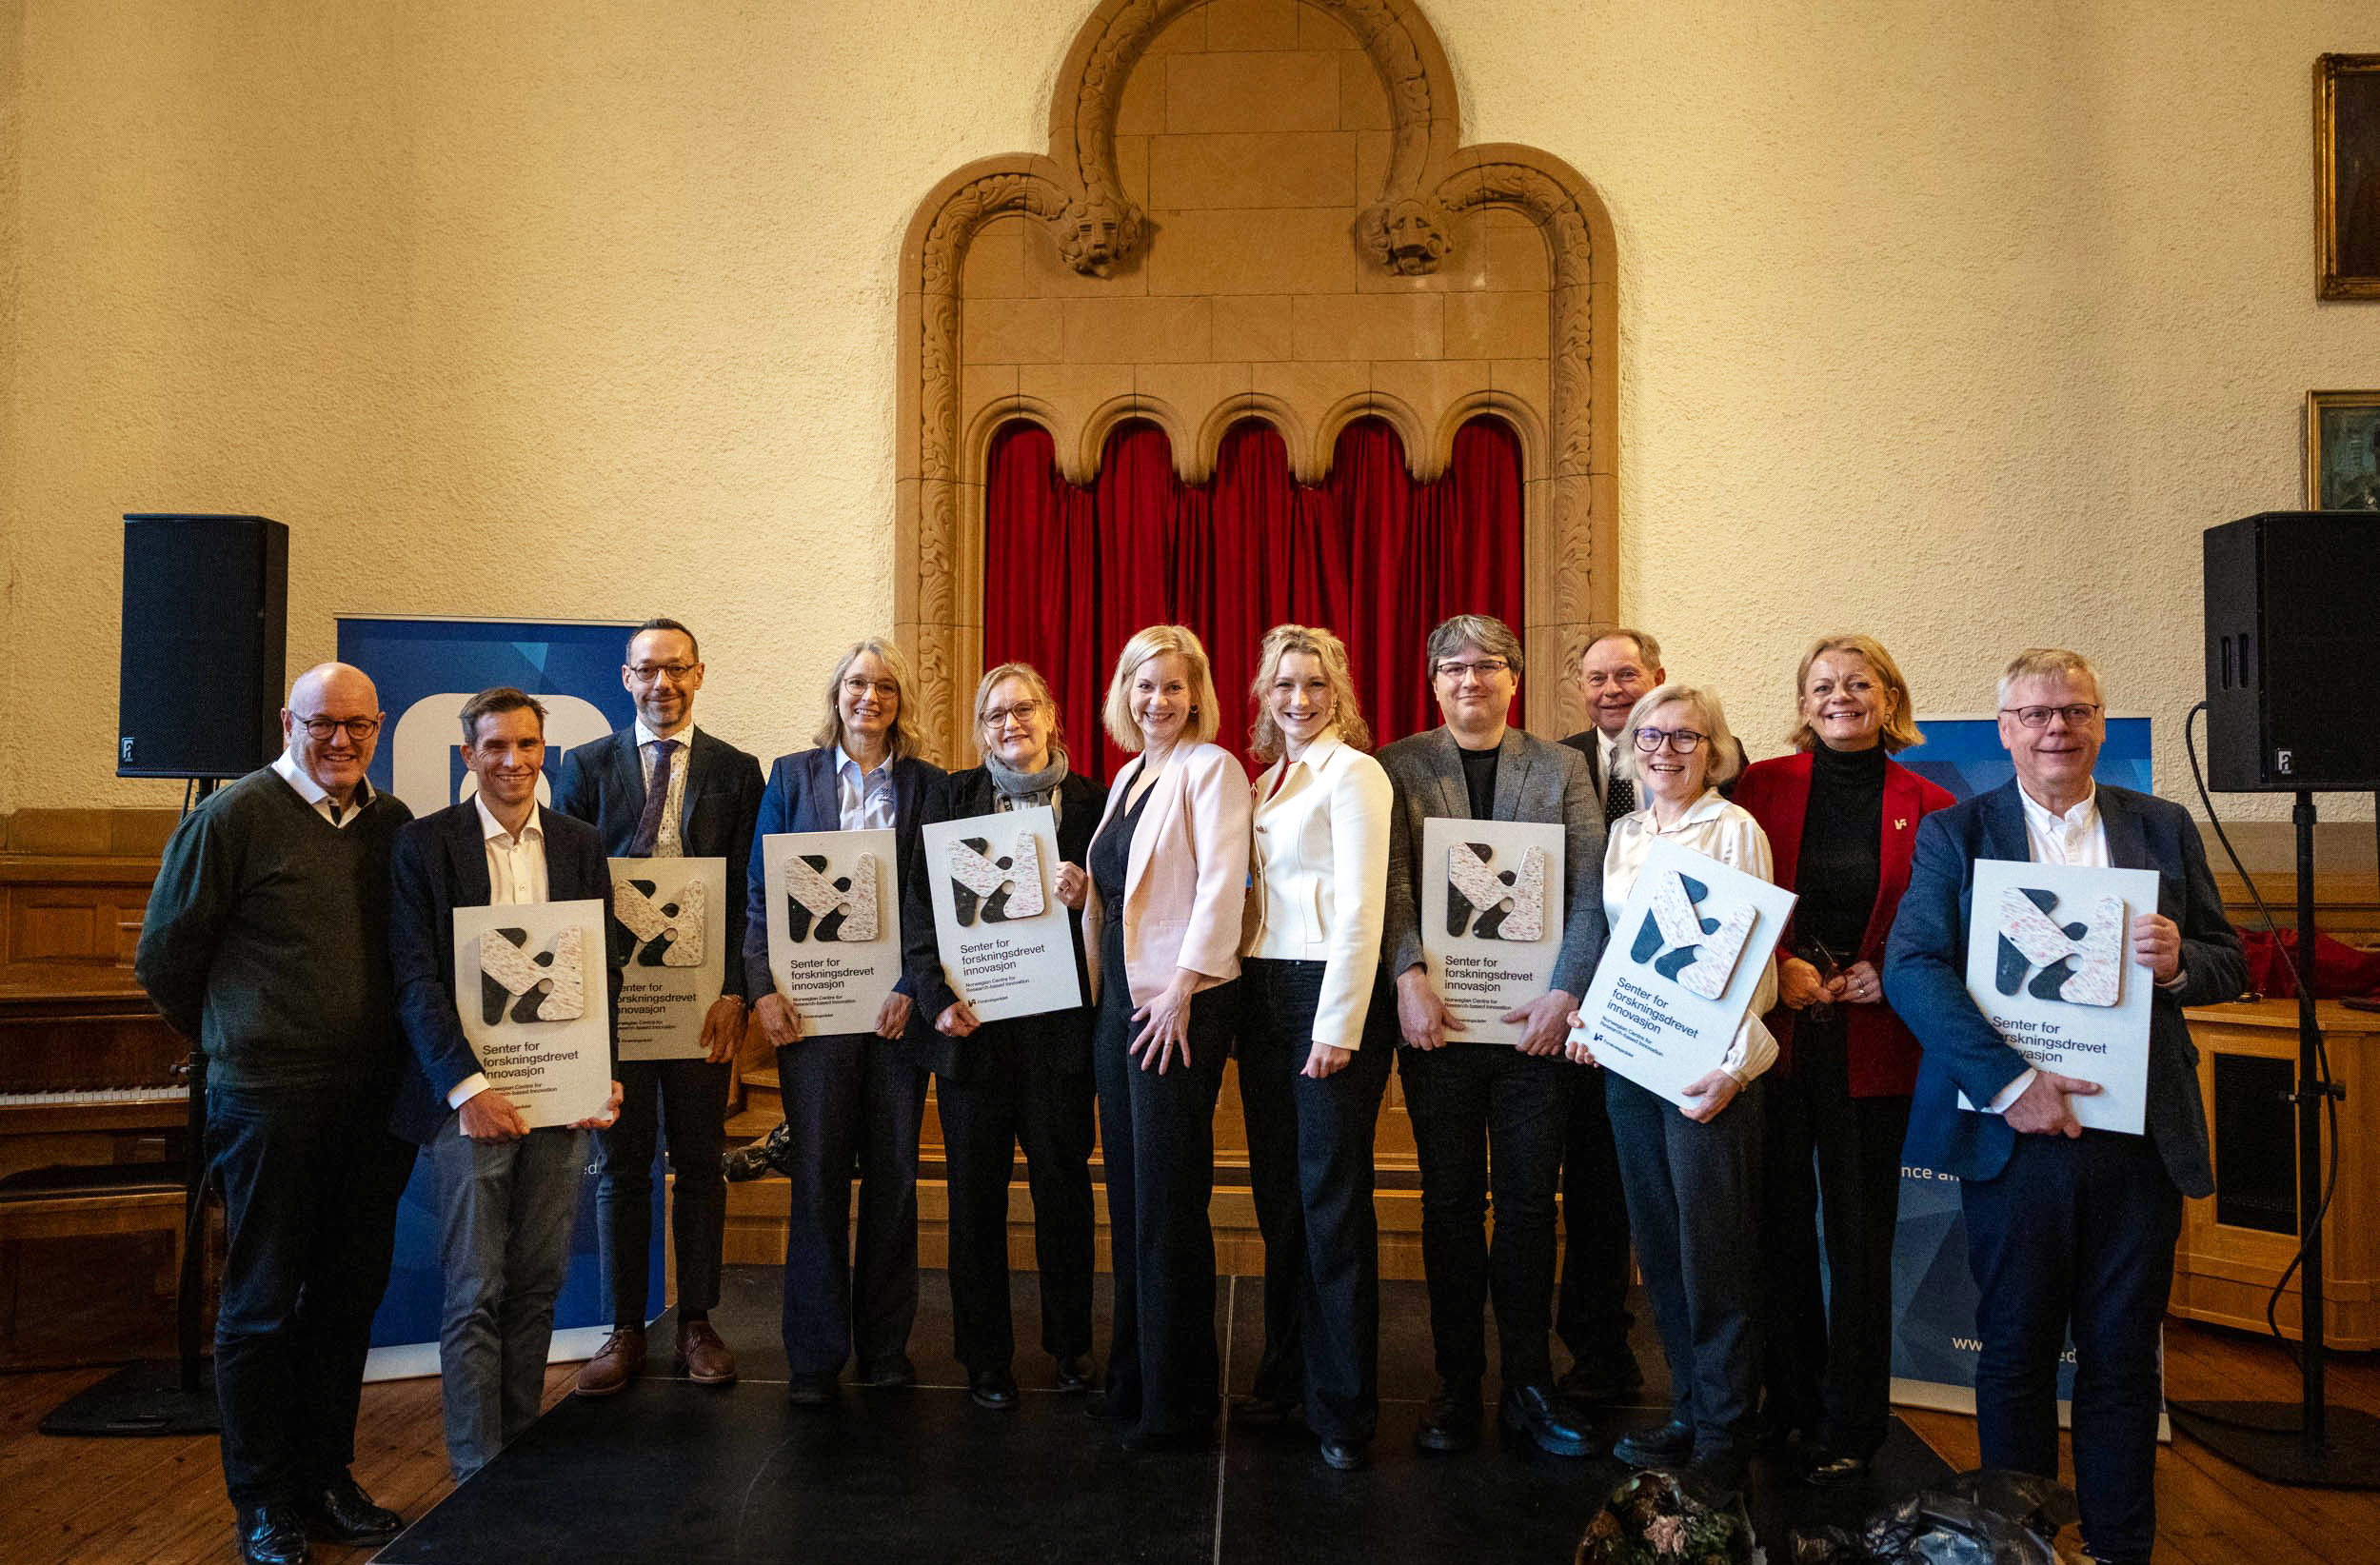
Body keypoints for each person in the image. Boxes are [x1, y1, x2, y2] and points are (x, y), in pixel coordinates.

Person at [1883, 649, 2244, 1565]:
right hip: (2016, 1138)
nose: (2057, 729)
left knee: (2123, 1361)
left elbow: (2226, 960)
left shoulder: (2161, 826)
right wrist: (2013, 1085)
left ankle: (2123, 1549)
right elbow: (1912, 966)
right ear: (2006, 728)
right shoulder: (1957, 833)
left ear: (2100, 724)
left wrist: (2181, 963)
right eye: (2036, 714)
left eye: (2075, 712)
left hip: (2137, 1142)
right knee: (2014, 1356)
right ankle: (2019, 1546)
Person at [133, 664, 417, 1565]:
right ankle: (263, 1503)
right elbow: (165, 960)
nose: (342, 742)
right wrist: (241, 1034)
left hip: (374, 1100)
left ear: (380, 728)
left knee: (344, 1299)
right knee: (260, 1308)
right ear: (288, 725)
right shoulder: (231, 820)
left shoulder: (394, 824)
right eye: (322, 725)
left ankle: (325, 1478)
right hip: (267, 1100)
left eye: (359, 727)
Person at [1378, 613, 1605, 1458]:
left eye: (1487, 665)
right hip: (1437, 1026)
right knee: (1445, 1206)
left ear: (1515, 676)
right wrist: (1405, 976)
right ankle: (1455, 1383)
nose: (1469, 680)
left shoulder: (1563, 768)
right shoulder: (1398, 765)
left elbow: (1588, 893)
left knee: (1523, 1208)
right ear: (1432, 681)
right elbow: (1392, 882)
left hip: (1532, 1036)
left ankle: (1528, 1385)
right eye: (1452, 667)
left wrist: (1563, 993)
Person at [1734, 635, 1954, 1484]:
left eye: (1858, 683)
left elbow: (1946, 920)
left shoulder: (1931, 803)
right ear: (1803, 700)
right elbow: (1738, 893)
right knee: (1777, 1230)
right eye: (1822, 685)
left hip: (1873, 1044)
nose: (1840, 696)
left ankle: (1854, 1419)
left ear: (1889, 697)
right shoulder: (1764, 785)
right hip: (1780, 1039)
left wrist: (1888, 972)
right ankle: (1785, 1403)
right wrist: (1778, 965)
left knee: (1860, 1239)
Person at [387, 687, 624, 1482]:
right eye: (495, 747)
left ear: (545, 750)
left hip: (562, 1103)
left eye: (527, 745)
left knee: (537, 1285)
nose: (513, 761)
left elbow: (601, 972)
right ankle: (473, 1475)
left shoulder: (581, 843)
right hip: (470, 1107)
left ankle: (519, 1456)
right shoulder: (424, 847)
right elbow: (416, 980)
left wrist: (602, 1075)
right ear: (469, 756)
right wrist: (467, 1087)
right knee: (475, 1291)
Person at [555, 618, 764, 1397]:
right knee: (620, 1168)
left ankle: (698, 1323)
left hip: (702, 1002)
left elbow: (750, 886)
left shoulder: (739, 771)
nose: (662, 684)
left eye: (677, 669)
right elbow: (568, 885)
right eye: (648, 670)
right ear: (626, 677)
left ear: (700, 675)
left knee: (702, 1163)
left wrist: (738, 993)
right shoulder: (585, 766)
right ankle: (621, 1329)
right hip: (615, 1002)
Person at [1578, 682, 1775, 1491]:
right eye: (1652, 738)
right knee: (1659, 1247)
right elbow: (1618, 948)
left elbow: (1755, 959)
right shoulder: (1623, 831)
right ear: (1631, 750)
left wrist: (1733, 1068)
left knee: (1714, 1253)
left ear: (1714, 748)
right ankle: (1691, 1410)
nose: (1666, 751)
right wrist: (1596, 1025)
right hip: (1632, 1068)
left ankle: (1728, 1431)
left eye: (1687, 738)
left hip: (1706, 1073)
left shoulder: (1734, 829)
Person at [744, 638, 945, 1405]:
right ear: (837, 694)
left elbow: (933, 902)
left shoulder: (927, 787)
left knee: (894, 1181)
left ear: (900, 701)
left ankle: (886, 1348)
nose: (870, 697)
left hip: (898, 1016)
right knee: (819, 1179)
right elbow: (763, 891)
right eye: (858, 683)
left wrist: (911, 988)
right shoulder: (790, 777)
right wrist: (761, 987)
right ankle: (814, 1357)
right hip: (813, 1015)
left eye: (885, 686)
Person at [899, 663, 1104, 1409]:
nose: (1010, 724)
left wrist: (1091, 902)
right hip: (973, 1034)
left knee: (1064, 1193)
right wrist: (935, 1000)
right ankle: (985, 1357)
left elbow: (1132, 912)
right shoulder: (948, 798)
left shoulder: (1098, 804)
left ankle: (1072, 1345)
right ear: (980, 728)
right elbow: (917, 914)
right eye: (995, 715)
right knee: (973, 1200)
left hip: (1059, 1041)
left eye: (1024, 709)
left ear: (1052, 714)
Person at [1081, 624, 1251, 1452]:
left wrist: (1184, 988)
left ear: (1197, 696)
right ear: (1124, 692)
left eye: (1175, 687)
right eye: (1145, 685)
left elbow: (1225, 885)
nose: (1159, 700)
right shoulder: (1127, 778)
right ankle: (1134, 1376)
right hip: (1121, 1005)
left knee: (1168, 1201)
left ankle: (1177, 1404)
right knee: (1130, 1198)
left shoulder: (1211, 769)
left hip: (1176, 1004)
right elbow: (1125, 888)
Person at [1229, 624, 1395, 1472]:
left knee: (1330, 1201)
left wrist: (1338, 1024)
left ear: (1340, 695)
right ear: (1264, 696)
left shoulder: (1355, 773)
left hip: (1323, 996)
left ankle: (1343, 1409)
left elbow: (1364, 908)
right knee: (1279, 1200)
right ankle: (1285, 1375)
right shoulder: (1264, 780)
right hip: (1262, 993)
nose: (1298, 700)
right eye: (1283, 685)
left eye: (1315, 686)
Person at [1549, 626, 1668, 1409]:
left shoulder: (1708, 761)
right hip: (1574, 1011)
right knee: (1590, 1182)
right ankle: (1595, 1347)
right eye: (1597, 679)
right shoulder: (1551, 764)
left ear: (1657, 675)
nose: (1613, 690)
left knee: (1662, 1188)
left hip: (1670, 1012)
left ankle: (1686, 1355)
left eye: (1627, 674)